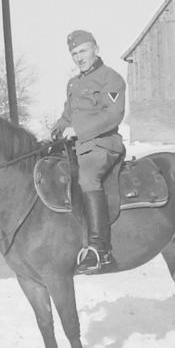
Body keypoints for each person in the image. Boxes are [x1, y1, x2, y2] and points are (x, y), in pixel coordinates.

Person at [51, 30, 126, 274]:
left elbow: (113, 115)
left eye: (83, 51)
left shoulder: (110, 79)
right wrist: (58, 128)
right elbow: (67, 116)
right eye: (74, 53)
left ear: (96, 48)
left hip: (103, 145)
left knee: (87, 177)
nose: (79, 57)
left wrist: (78, 130)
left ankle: (98, 249)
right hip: (77, 146)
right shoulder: (73, 84)